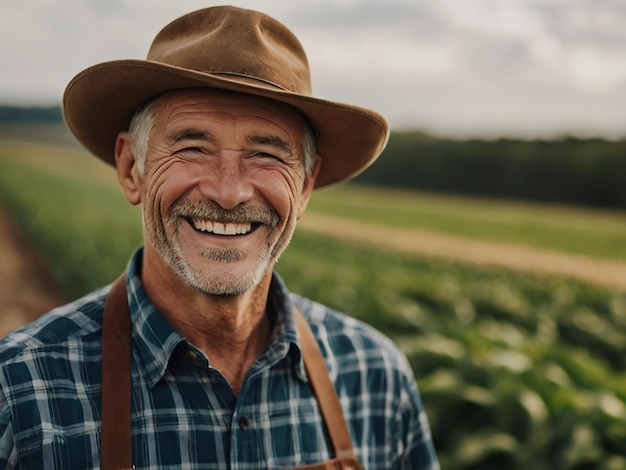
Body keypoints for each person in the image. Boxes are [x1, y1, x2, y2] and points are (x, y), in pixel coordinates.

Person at [0, 5, 439, 469]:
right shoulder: (18, 393)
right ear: (132, 169)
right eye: (193, 148)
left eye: (266, 154)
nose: (229, 193)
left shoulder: (375, 378)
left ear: (305, 187)